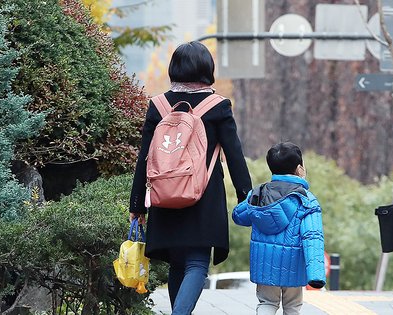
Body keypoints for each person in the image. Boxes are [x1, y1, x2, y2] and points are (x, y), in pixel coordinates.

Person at [128, 41, 252, 315]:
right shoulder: (217, 106)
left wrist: (137, 204)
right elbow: (234, 154)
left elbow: (145, 158)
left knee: (177, 264)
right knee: (197, 263)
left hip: (163, 193)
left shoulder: (159, 105)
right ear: (207, 69)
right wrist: (247, 196)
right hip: (203, 194)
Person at [232, 142, 326, 315]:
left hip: (265, 265)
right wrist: (316, 275)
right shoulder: (307, 200)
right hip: (293, 267)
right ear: (300, 169)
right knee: (292, 307)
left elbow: (239, 216)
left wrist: (250, 201)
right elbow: (312, 237)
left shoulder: (258, 194)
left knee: (267, 303)